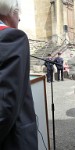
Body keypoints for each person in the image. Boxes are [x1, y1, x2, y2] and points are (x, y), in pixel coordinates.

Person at [0, 0, 38, 149]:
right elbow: (5, 106)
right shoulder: (12, 38)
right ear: (9, 12)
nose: (19, 18)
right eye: (17, 13)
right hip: (11, 139)